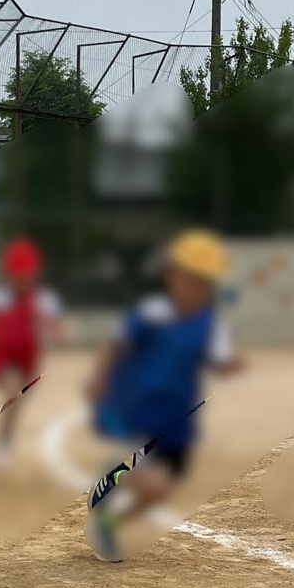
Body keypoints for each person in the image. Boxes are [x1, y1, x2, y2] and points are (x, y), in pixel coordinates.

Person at [85, 228, 244, 560]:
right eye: (192, 278)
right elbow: (115, 345)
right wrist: (100, 378)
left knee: (161, 491)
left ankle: (109, 520)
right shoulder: (151, 312)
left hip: (178, 421)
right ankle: (114, 478)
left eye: (205, 282)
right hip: (139, 410)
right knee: (152, 481)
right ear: (172, 277)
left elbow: (219, 360)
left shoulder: (211, 325)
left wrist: (231, 365)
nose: (198, 288)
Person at [0, 237, 67, 468]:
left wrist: (60, 335)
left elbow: (58, 329)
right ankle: (3, 443)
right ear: (9, 275)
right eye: (19, 274)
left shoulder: (43, 300)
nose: (24, 279)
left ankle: (6, 437)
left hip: (28, 359)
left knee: (17, 400)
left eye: (28, 273)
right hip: (1, 356)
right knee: (13, 390)